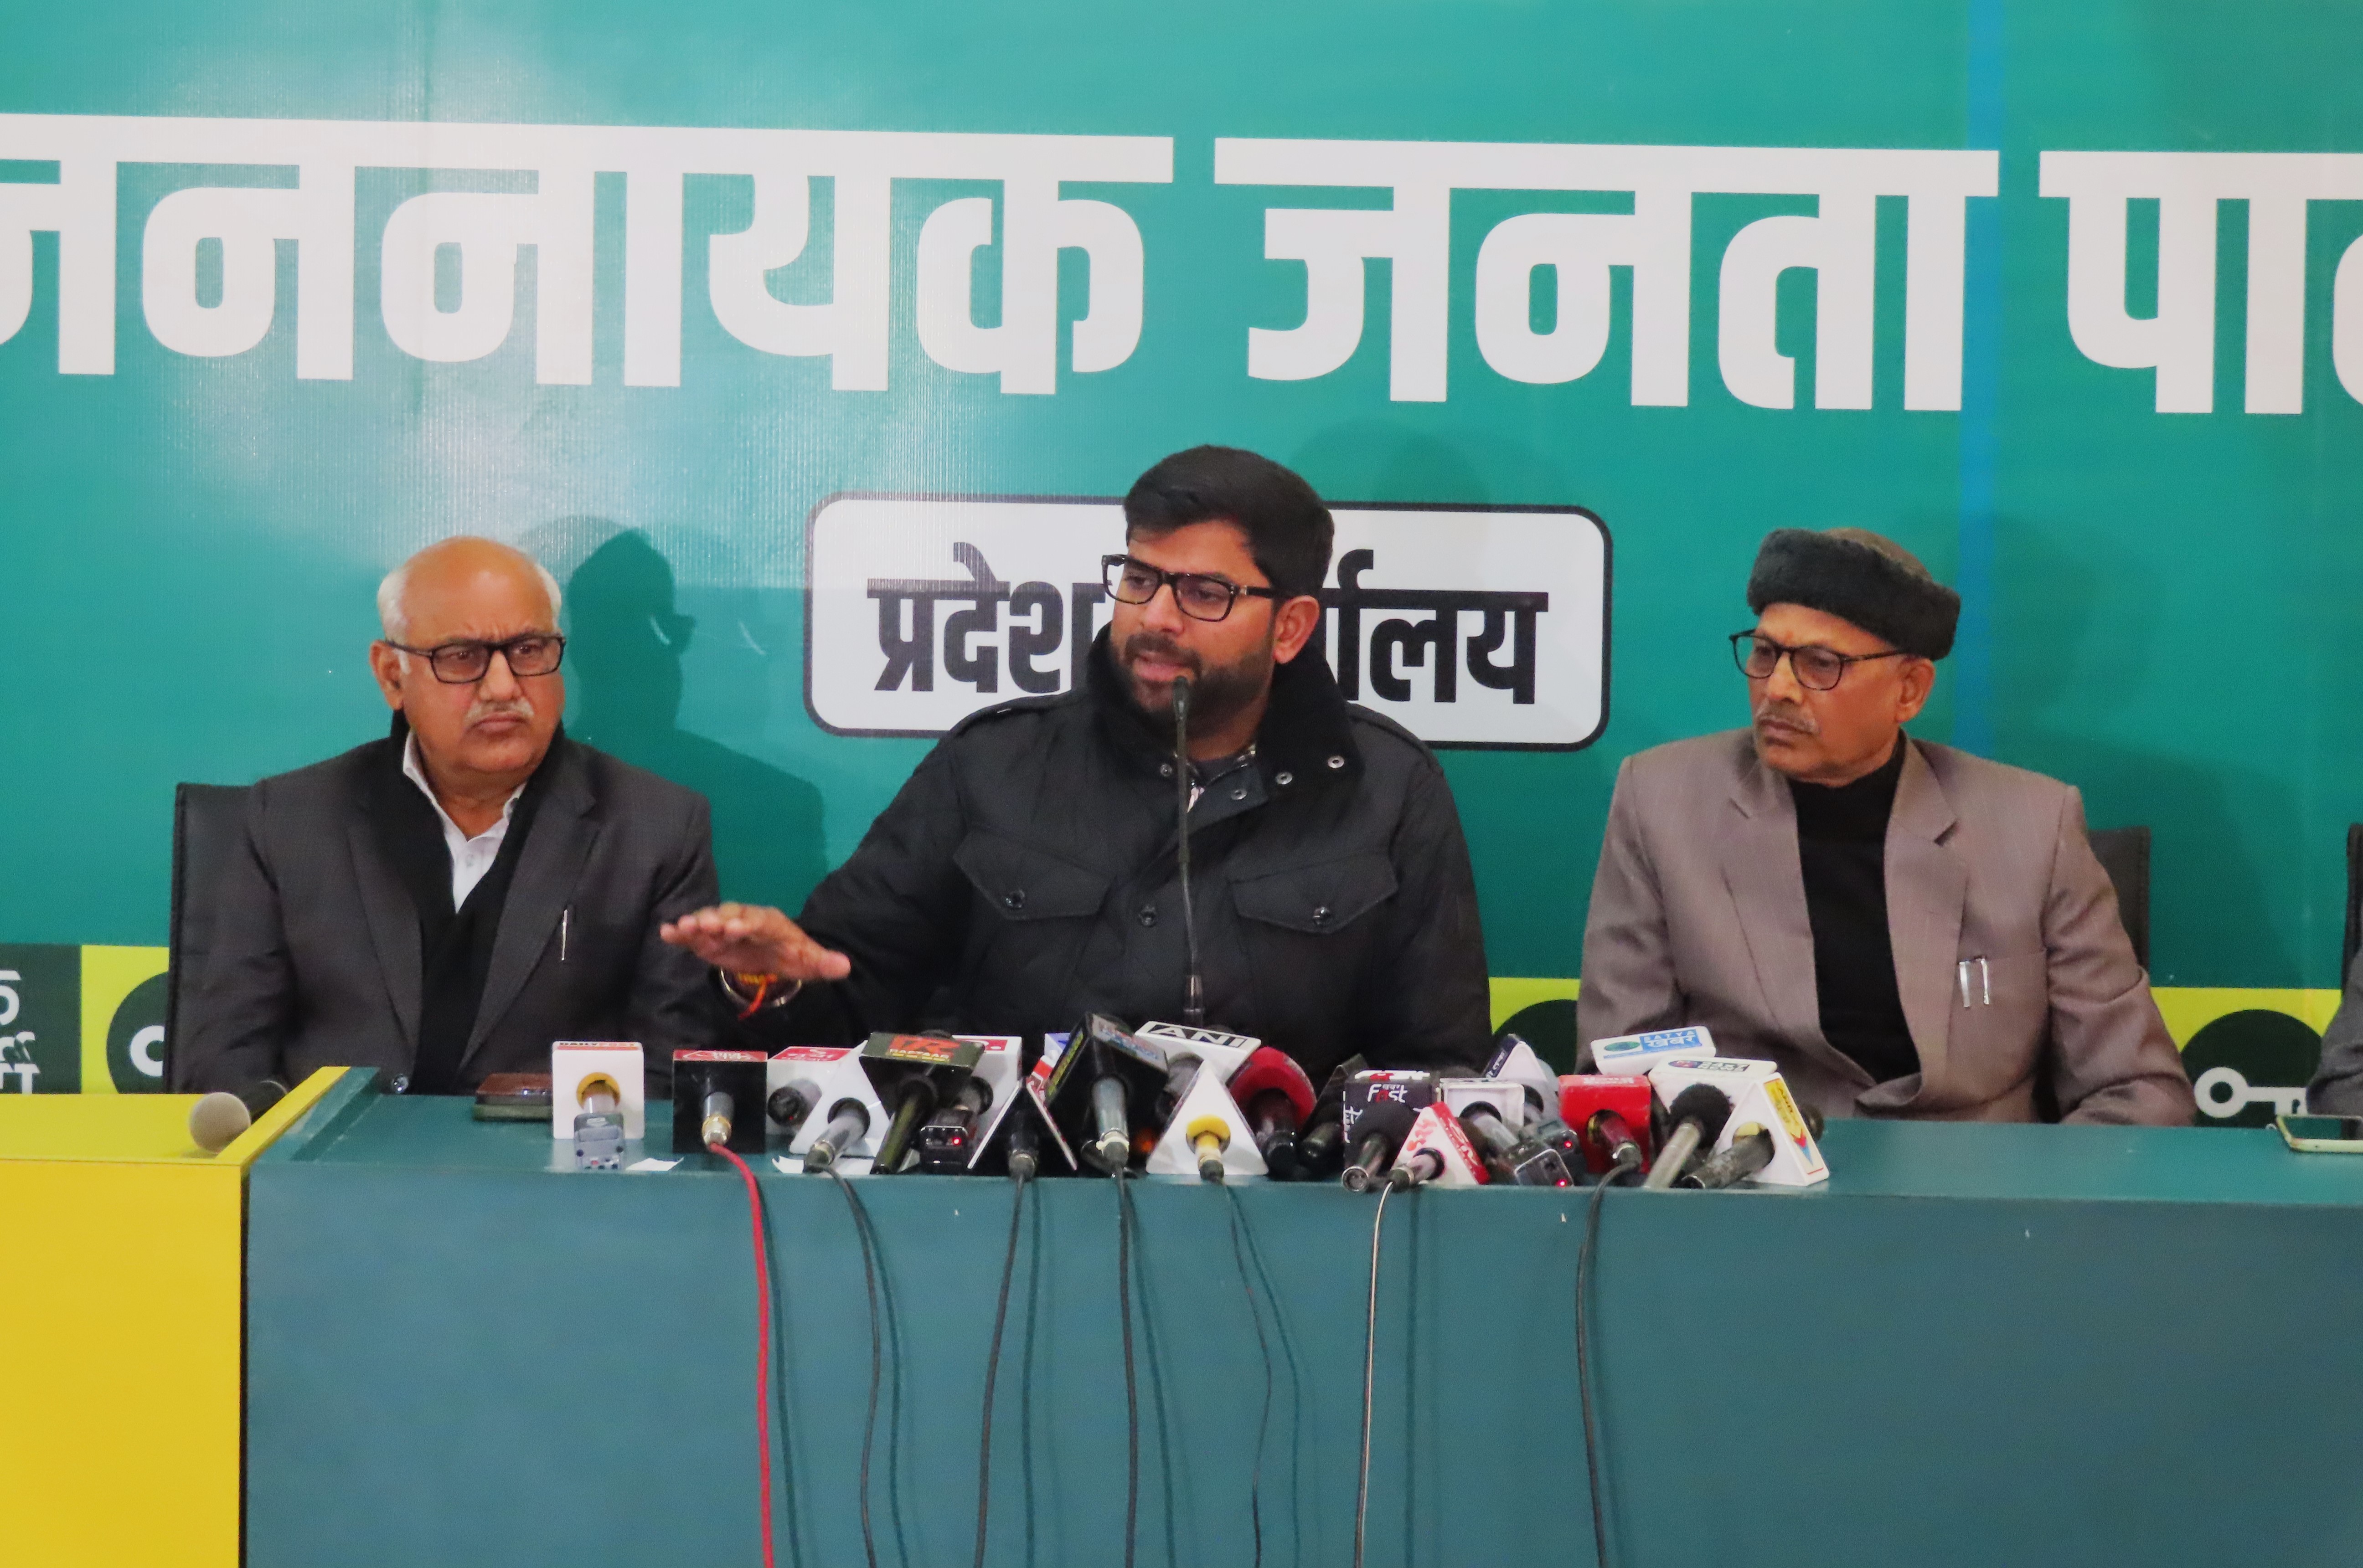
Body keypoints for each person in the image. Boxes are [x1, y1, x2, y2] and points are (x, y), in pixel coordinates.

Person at [660, 445, 1492, 1083]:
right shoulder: (994, 766)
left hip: (1289, 1222)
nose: (1156, 617)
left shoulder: (1386, 791)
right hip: (1015, 1211)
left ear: (1290, 627)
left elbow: (1436, 1072)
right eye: (1140, 577)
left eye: (1205, 594)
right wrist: (772, 985)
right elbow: (844, 994)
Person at [1577, 526, 2195, 1125]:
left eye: (1821, 664)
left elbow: (2138, 1090)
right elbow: (1620, 1076)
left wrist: (2034, 1196)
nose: (1778, 689)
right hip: (1752, 1174)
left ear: (1910, 691)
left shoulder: (2034, 825)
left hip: (1979, 1184)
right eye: (1766, 653)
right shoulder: (1662, 803)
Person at [173, 537, 724, 1096]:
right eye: (462, 657)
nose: (504, 687)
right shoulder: (290, 820)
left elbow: (668, 1081)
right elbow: (224, 1063)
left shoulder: (655, 829)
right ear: (392, 675)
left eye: (529, 650)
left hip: (549, 1151)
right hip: (335, 1148)